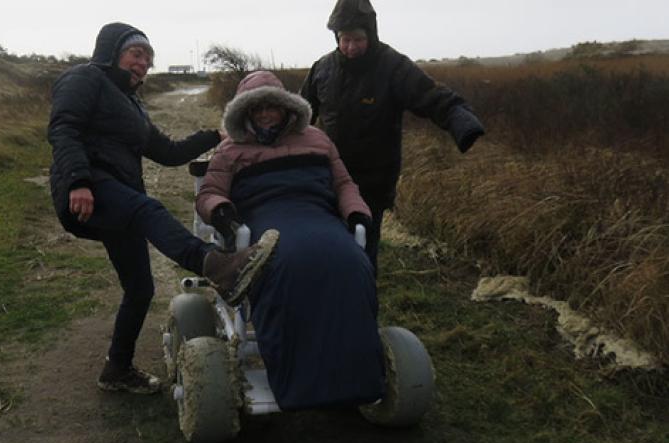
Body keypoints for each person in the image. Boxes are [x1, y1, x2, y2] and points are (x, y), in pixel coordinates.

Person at [47, 23, 279, 395]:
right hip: (91, 183)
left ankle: (116, 369)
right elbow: (63, 127)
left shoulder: (131, 105)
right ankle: (216, 265)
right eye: (136, 54)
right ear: (112, 52)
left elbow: (168, 152)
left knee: (140, 288)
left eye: (148, 59)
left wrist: (214, 136)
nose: (143, 63)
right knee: (148, 210)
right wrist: (78, 180)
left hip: (120, 197)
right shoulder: (84, 78)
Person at [196, 71, 386, 410]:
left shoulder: (317, 139)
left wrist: (357, 213)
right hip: (264, 221)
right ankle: (298, 384)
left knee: (353, 264)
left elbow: (344, 185)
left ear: (286, 108)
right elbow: (210, 191)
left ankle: (359, 378)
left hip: (318, 215)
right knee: (284, 266)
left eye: (272, 106)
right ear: (245, 112)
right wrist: (221, 212)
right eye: (257, 108)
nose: (266, 114)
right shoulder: (230, 149)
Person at [300, 0, 486, 273]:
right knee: (331, 243)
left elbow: (431, 96)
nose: (351, 47)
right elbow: (300, 113)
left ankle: (364, 295)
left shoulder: (393, 66)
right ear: (336, 38)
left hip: (374, 180)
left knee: (364, 246)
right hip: (330, 176)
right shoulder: (322, 69)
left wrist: (462, 121)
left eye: (358, 39)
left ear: (371, 35)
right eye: (345, 40)